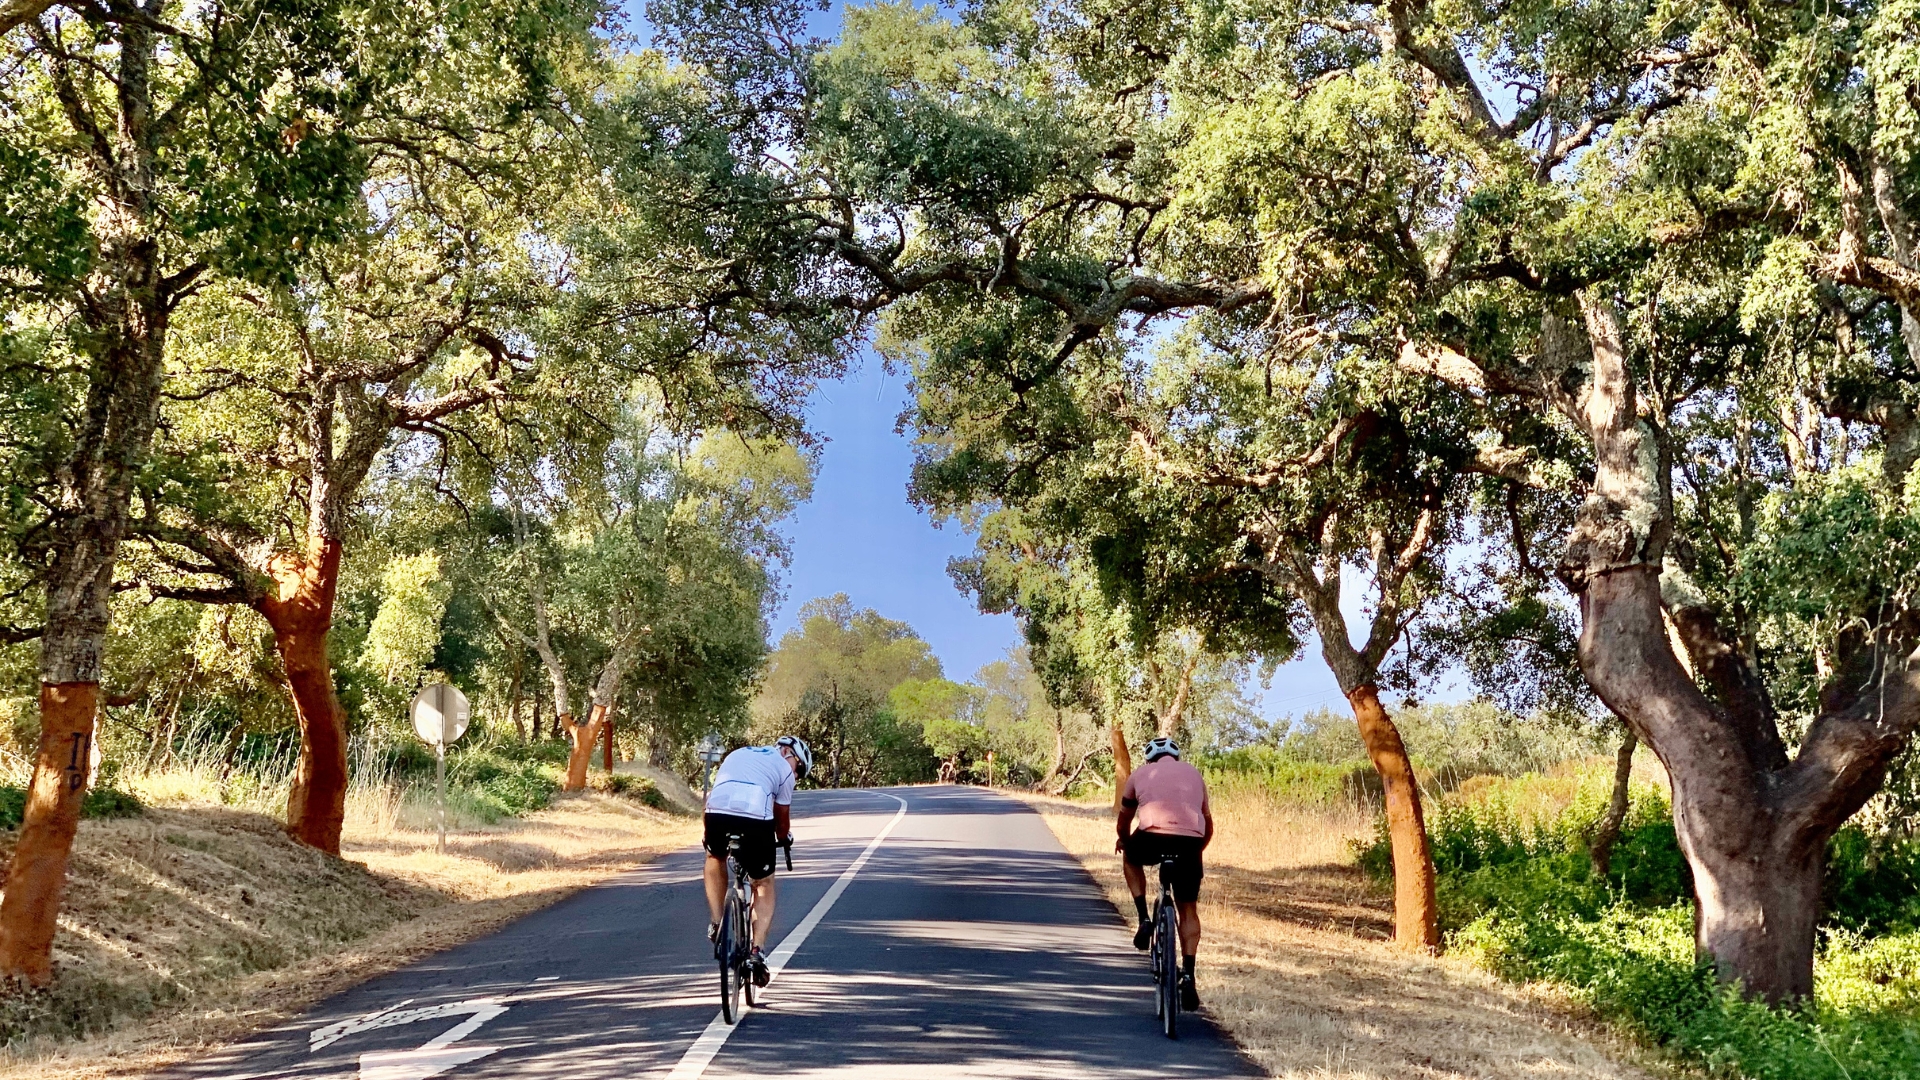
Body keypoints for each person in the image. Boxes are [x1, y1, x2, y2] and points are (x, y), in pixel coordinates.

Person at [704, 735, 811, 987]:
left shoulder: (737, 753)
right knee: (763, 882)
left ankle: (717, 923)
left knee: (714, 856)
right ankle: (756, 951)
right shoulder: (784, 769)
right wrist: (784, 839)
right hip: (755, 819)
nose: (796, 777)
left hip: (716, 812)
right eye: (799, 770)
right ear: (788, 753)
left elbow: (714, 795)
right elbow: (781, 821)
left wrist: (710, 835)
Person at [1116, 736, 1211, 1011]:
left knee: (1130, 858)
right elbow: (1208, 823)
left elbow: (1124, 820)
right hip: (1190, 842)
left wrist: (1124, 841)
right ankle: (1189, 975)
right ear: (1176, 757)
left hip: (1151, 837)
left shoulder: (1139, 774)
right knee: (1188, 910)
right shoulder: (1194, 774)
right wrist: (1197, 850)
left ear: (1149, 759)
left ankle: (1144, 919)